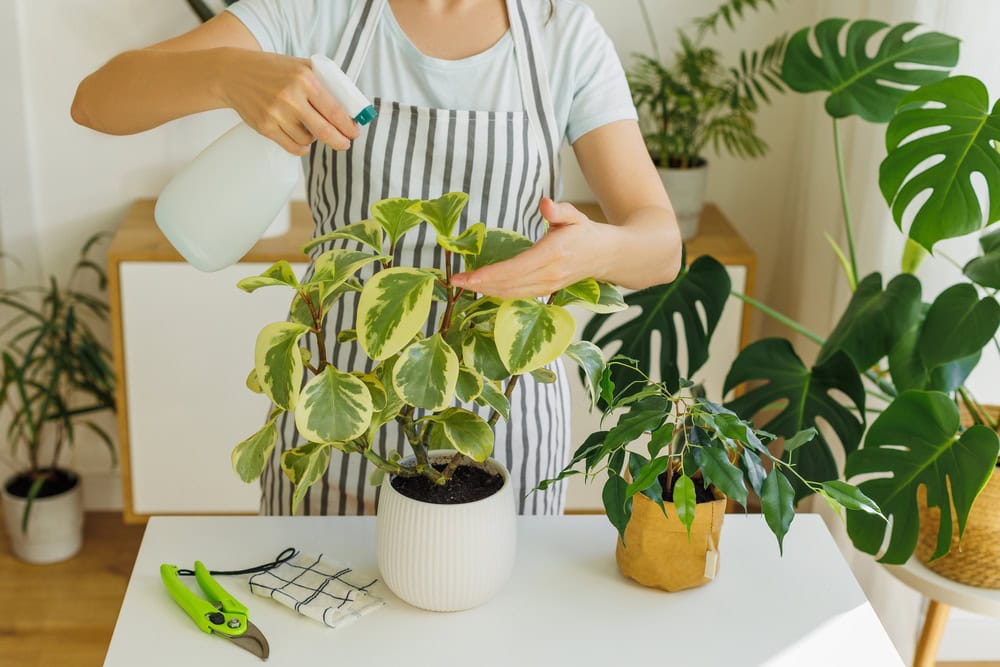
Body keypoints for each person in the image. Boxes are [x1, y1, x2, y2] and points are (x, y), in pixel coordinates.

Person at [72, 0, 682, 516]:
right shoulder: (314, 12)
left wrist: (589, 251)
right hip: (338, 424)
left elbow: (660, 248)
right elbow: (97, 101)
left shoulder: (562, 33)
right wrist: (229, 73)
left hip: (503, 436)